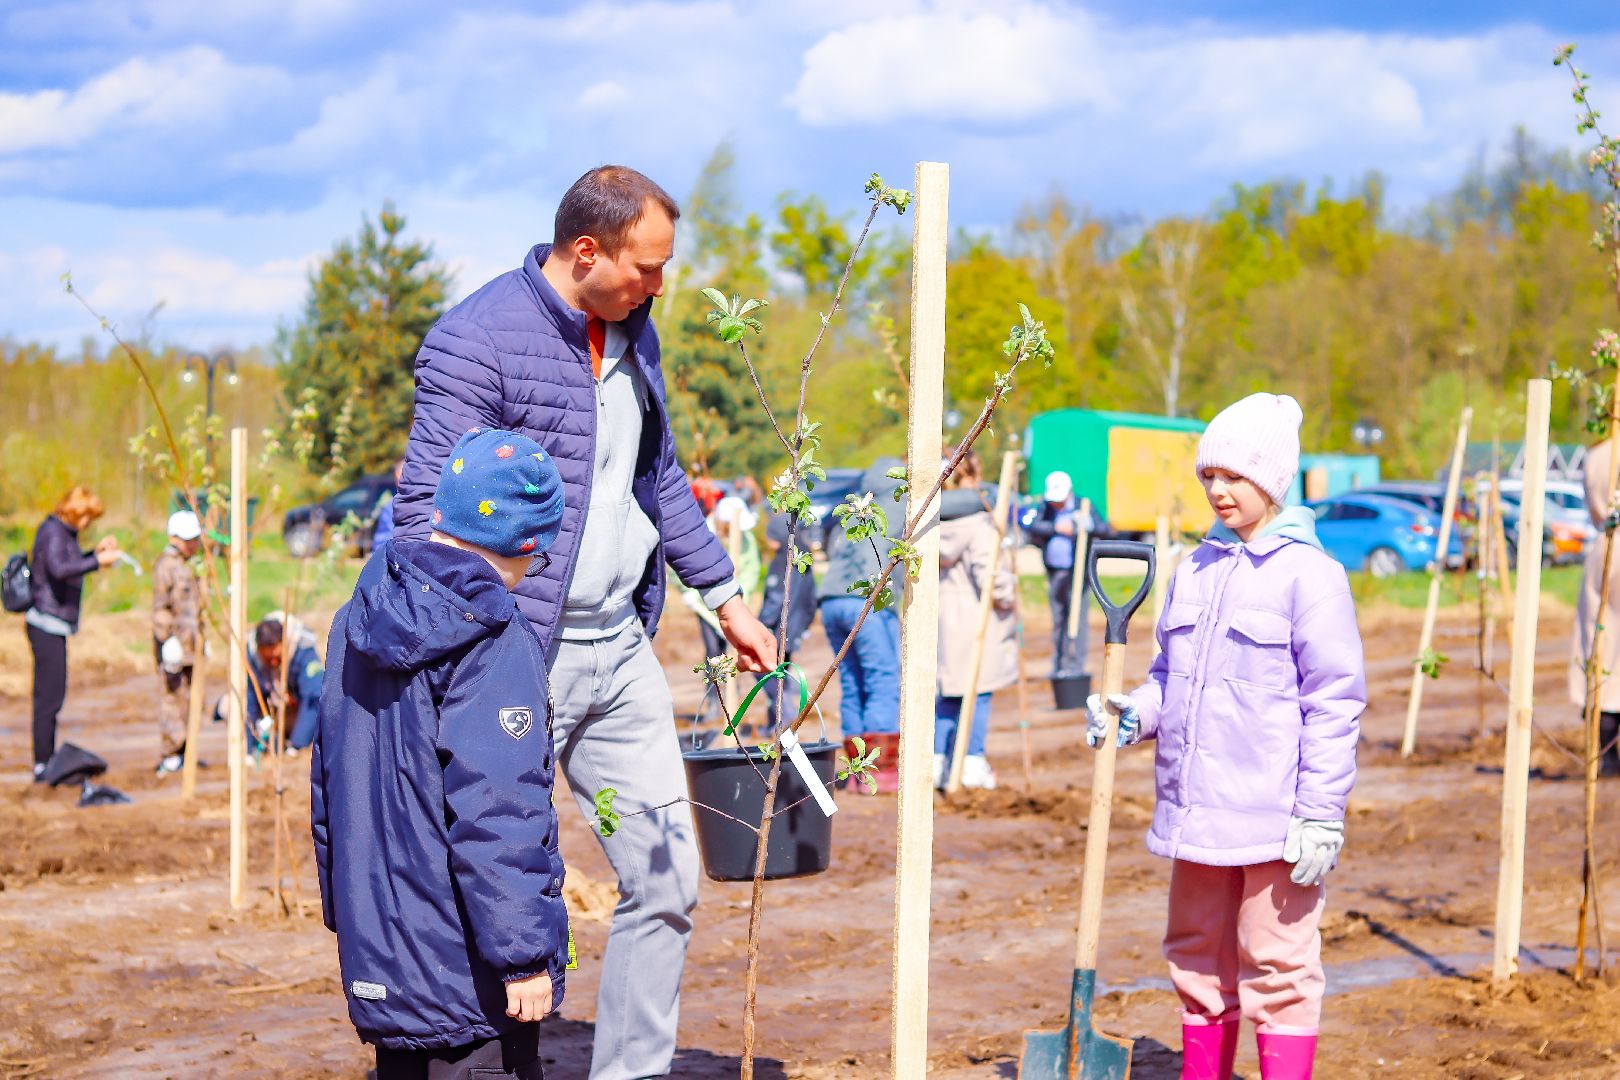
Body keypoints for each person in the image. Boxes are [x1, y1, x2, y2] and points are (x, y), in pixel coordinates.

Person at [392, 165, 777, 1080]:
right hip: (519, 654)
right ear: (588, 250)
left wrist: (724, 600)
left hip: (620, 647)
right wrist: (472, 649)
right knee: (486, 872)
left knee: (668, 879)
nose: (660, 286)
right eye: (647, 268)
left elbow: (661, 482)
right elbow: (425, 511)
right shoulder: (477, 340)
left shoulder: (636, 335)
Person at [1088, 393, 1363, 1080]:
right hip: (1196, 813)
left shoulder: (1313, 578)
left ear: (1271, 481)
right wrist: (1135, 713)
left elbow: (1335, 702)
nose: (1217, 490)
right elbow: (1168, 676)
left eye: (1234, 477)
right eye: (1209, 475)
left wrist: (1321, 812)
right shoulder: (1196, 569)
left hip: (1274, 820)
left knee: (1278, 963)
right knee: (1194, 953)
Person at [313, 428, 568, 1080]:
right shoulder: (491, 637)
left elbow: (330, 783)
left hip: (383, 950)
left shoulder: (355, 617)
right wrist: (523, 956)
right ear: (524, 544)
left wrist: (349, 910)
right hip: (467, 971)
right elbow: (499, 805)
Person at [817, 457, 906, 790]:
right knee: (882, 678)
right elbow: (953, 503)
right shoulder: (897, 505)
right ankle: (879, 771)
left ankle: (854, 770)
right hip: (864, 600)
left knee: (853, 681)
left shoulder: (854, 511)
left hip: (830, 601)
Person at [25, 485, 122, 781]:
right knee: (49, 697)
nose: (87, 524)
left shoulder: (62, 532)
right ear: (76, 513)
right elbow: (59, 568)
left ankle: (47, 758)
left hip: (54, 624)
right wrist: (96, 562)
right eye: (87, 518)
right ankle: (43, 763)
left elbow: (68, 563)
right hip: (46, 624)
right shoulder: (53, 532)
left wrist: (95, 553)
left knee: (53, 695)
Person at [933, 450, 1017, 791]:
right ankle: (971, 763)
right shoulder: (980, 524)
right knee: (977, 694)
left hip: (944, 622)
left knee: (947, 697)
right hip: (975, 624)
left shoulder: (931, 524)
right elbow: (991, 576)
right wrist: (1008, 595)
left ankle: (938, 762)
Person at [1570, 435, 1620, 777]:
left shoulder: (1598, 454)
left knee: (1600, 639)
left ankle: (1606, 753)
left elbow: (1592, 507)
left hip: (1606, 550)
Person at [1023, 470, 1097, 672]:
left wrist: (1088, 526)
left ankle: (1076, 665)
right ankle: (1059, 663)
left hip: (1078, 574)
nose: (1056, 503)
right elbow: (1033, 528)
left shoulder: (1084, 506)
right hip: (1055, 573)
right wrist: (1055, 526)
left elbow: (1105, 529)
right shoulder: (1046, 508)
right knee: (1059, 619)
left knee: (1078, 621)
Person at [753, 510, 817, 730]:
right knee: (781, 669)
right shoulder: (804, 558)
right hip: (795, 625)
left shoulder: (782, 560)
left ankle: (784, 713)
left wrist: (759, 626)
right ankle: (776, 720)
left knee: (761, 668)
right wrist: (805, 624)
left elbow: (775, 599)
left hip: (777, 627)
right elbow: (811, 598)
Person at [152, 510, 202, 775]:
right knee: (172, 700)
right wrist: (166, 639)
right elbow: (161, 607)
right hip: (174, 648)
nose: (192, 544)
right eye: (187, 539)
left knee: (191, 701)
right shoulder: (166, 566)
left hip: (191, 646)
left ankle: (187, 751)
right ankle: (170, 752)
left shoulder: (191, 565)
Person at [245, 615, 326, 754]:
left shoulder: (303, 650)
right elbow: (248, 700)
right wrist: (248, 749)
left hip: (295, 712)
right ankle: (262, 742)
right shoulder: (251, 656)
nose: (273, 663)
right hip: (269, 713)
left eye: (277, 658)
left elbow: (314, 696)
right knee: (228, 705)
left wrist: (296, 745)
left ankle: (292, 741)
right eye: (268, 659)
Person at [370, 458, 405, 550]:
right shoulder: (390, 508)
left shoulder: (431, 502)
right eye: (397, 478)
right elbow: (381, 545)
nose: (400, 482)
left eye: (403, 476)